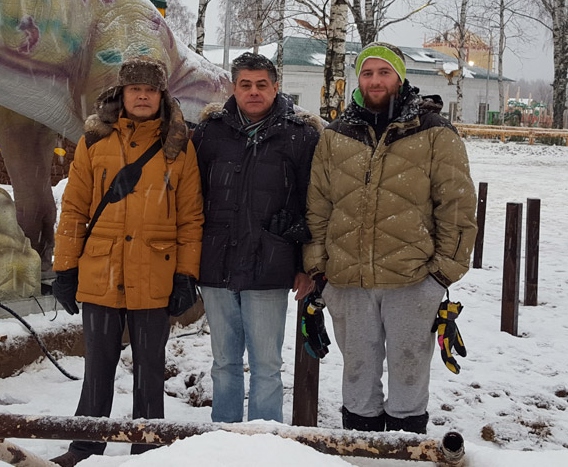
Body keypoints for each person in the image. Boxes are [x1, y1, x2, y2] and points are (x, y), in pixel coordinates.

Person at [303, 42, 477, 434]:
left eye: (384, 72)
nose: (375, 80)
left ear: (400, 78)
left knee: (409, 374)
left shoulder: (434, 132)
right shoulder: (335, 135)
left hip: (412, 281)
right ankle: (361, 451)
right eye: (367, 73)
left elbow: (457, 205)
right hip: (348, 281)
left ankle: (405, 450)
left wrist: (442, 274)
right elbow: (318, 205)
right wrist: (319, 269)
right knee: (357, 375)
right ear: (358, 80)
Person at [49, 57, 203, 466]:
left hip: (155, 272)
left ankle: (148, 446)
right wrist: (65, 268)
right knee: (98, 367)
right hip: (102, 269)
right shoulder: (94, 142)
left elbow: (190, 217)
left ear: (161, 96)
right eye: (135, 89)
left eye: (150, 90)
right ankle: (85, 445)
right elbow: (74, 209)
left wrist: (186, 274)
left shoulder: (179, 145)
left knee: (150, 369)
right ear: (122, 93)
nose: (142, 96)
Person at [192, 52, 321, 423]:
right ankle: (224, 435)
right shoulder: (210, 133)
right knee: (224, 363)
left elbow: (313, 204)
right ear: (233, 87)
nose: (253, 92)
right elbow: (192, 198)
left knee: (266, 366)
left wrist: (306, 265)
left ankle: (265, 443)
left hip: (271, 265)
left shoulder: (300, 136)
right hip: (217, 264)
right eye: (245, 84)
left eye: (261, 85)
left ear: (276, 87)